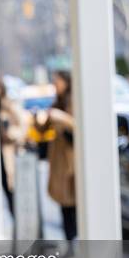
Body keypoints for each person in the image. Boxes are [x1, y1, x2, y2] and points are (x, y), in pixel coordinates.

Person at [46, 70, 77, 244]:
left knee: (72, 202)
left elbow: (77, 125)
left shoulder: (73, 100)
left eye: (57, 81)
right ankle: (70, 241)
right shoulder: (56, 102)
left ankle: (74, 240)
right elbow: (44, 128)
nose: (55, 85)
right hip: (58, 160)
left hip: (70, 160)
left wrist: (61, 117)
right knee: (63, 204)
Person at [0, 77, 28, 217]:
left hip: (7, 154)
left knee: (12, 193)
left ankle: (18, 222)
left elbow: (22, 127)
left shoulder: (9, 105)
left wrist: (9, 133)